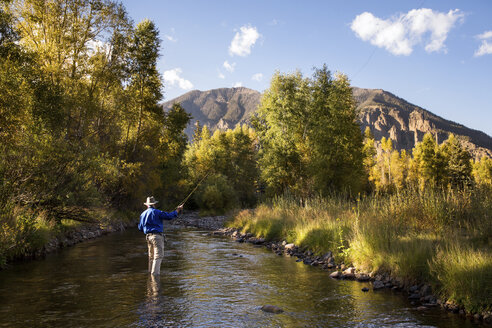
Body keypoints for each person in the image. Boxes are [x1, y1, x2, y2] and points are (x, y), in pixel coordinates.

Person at [138, 196, 183, 275]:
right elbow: (169, 216)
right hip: (157, 237)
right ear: (154, 204)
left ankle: (150, 277)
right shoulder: (157, 212)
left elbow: (140, 228)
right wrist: (177, 210)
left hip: (148, 237)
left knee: (151, 257)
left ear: (147, 205)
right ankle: (155, 276)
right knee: (158, 256)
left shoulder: (143, 214)